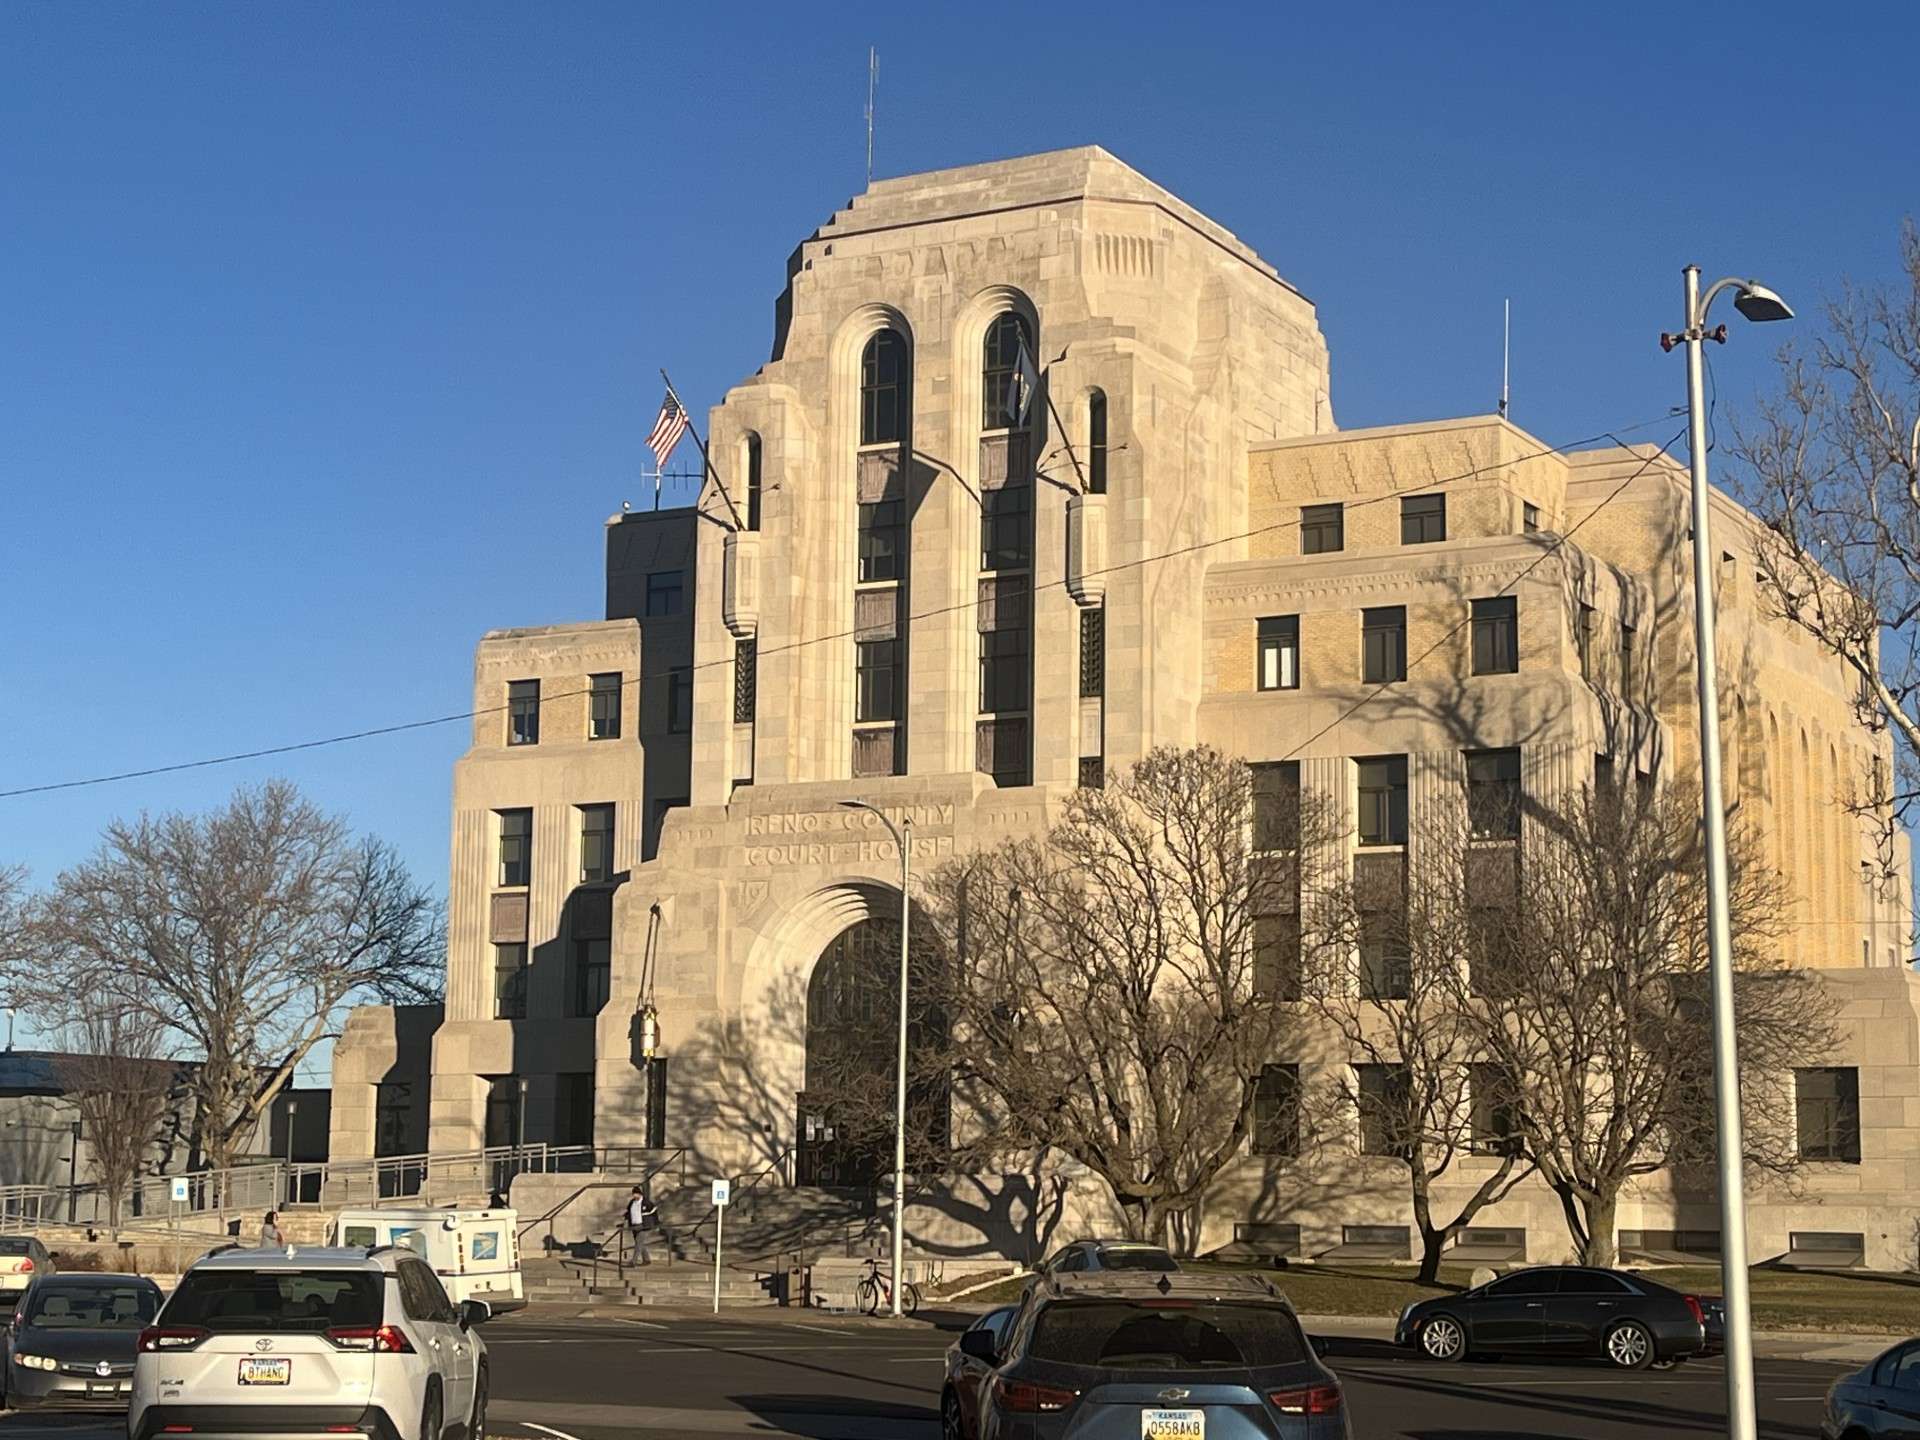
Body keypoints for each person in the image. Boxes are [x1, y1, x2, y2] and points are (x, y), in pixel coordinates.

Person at [625, 1185, 656, 1267]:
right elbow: (628, 1212)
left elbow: (654, 1212)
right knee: (640, 1243)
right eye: (633, 1194)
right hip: (634, 1225)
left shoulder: (646, 1202)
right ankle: (647, 1259)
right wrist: (626, 1220)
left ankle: (633, 1262)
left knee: (638, 1243)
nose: (634, 1196)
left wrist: (654, 1223)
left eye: (636, 1194)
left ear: (639, 1194)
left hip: (643, 1226)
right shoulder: (632, 1202)